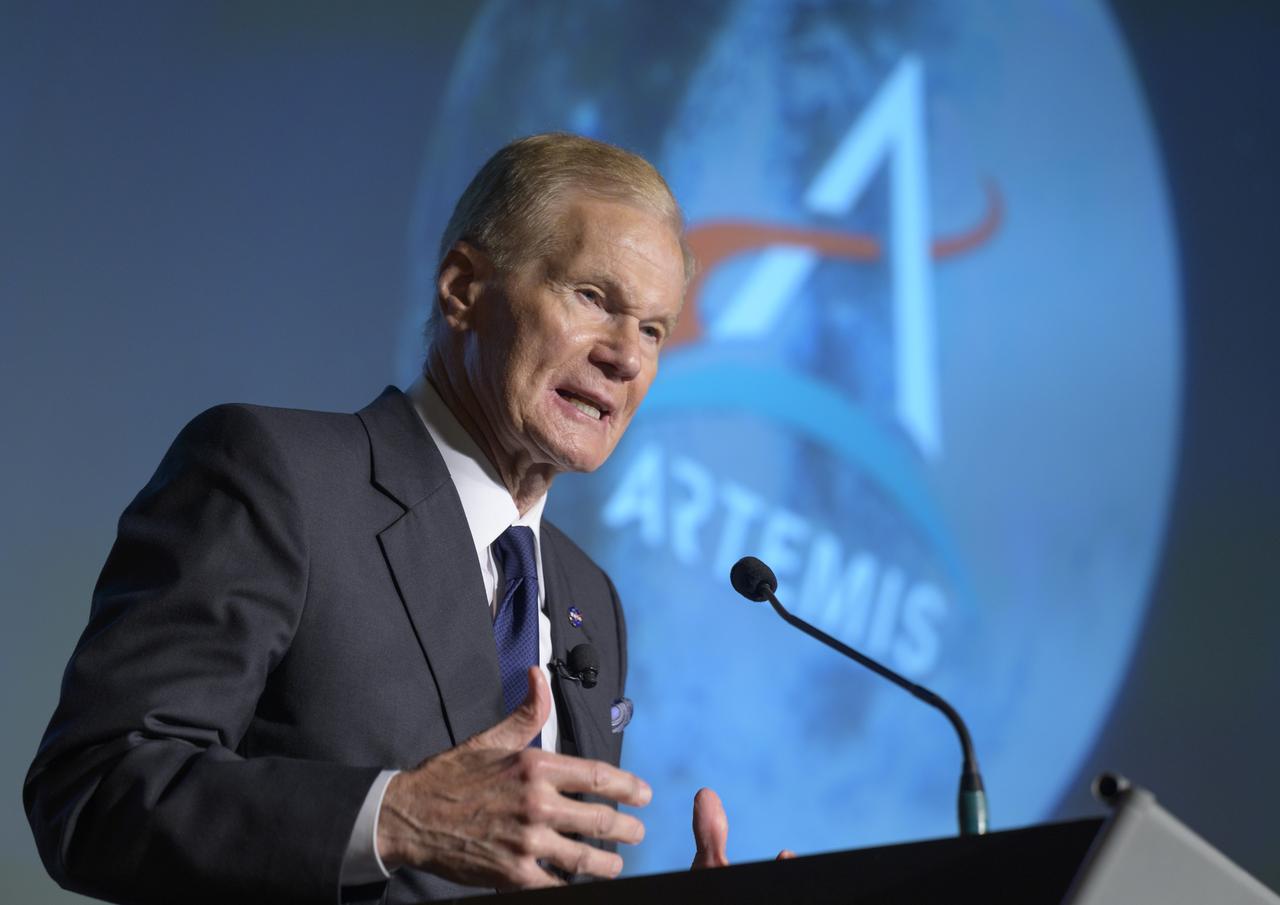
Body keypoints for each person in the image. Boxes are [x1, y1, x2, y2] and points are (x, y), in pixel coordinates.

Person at [24, 133, 749, 904]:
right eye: (593, 298)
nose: (627, 358)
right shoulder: (276, 475)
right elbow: (94, 788)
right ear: (463, 287)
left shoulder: (588, 596)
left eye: (654, 329)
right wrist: (392, 818)